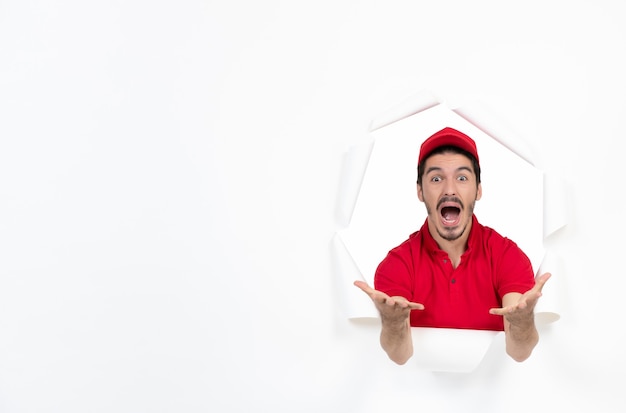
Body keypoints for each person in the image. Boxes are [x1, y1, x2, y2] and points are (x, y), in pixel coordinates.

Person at [354, 126, 551, 365]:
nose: (449, 190)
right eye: (436, 179)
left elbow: (520, 352)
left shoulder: (507, 256)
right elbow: (399, 355)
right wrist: (393, 322)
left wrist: (522, 321)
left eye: (462, 178)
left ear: (478, 190)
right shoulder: (398, 264)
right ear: (420, 191)